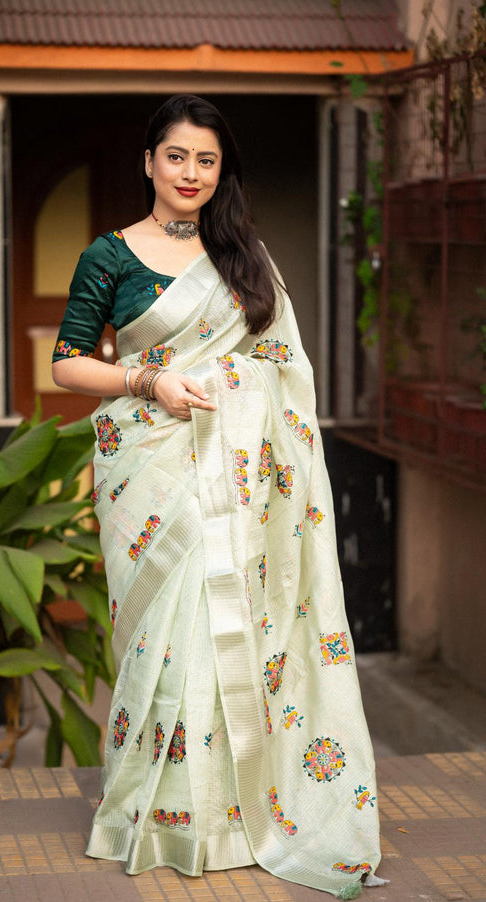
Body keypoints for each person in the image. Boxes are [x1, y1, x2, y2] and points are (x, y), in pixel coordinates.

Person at [52, 94, 383, 900]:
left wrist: (233, 387)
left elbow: (281, 369)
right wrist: (148, 378)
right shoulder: (109, 256)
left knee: (221, 622)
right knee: (167, 636)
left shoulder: (243, 257)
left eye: (206, 160)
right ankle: (163, 812)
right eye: (176, 156)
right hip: (152, 473)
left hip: (238, 479)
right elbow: (68, 363)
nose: (190, 173)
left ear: (219, 169)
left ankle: (233, 814)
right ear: (148, 162)